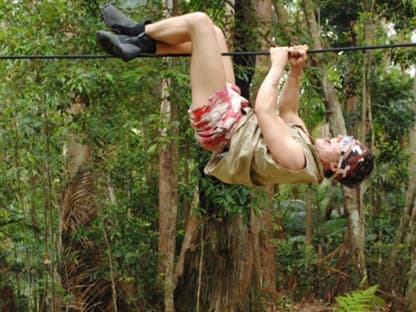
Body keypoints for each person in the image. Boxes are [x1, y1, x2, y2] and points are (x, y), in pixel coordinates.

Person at [96, 5, 373, 188]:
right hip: (233, 115)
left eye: (343, 144)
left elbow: (266, 112)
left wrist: (277, 65)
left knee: (201, 23)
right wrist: (296, 71)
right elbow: (288, 112)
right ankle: (137, 45)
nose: (337, 137)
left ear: (337, 168)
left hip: (220, 125)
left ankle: (138, 33)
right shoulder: (308, 149)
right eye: (343, 137)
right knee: (214, 36)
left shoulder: (298, 161)